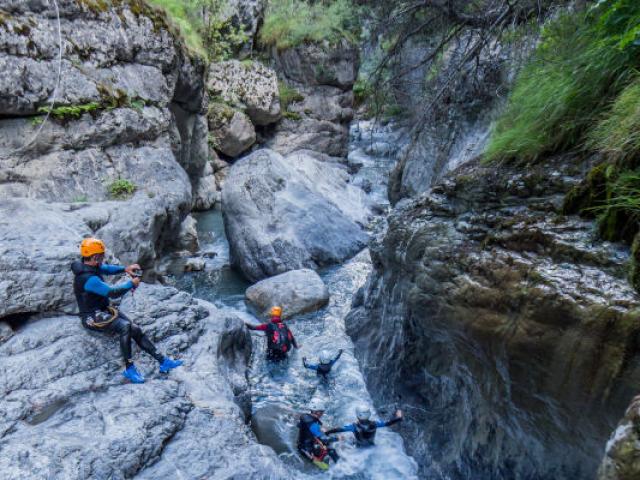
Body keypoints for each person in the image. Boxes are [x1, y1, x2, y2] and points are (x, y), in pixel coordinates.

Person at [71, 237, 183, 384]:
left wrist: (125, 269)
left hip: (103, 310)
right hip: (91, 317)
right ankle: (129, 369)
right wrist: (131, 283)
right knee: (125, 327)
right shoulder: (88, 279)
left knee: (134, 329)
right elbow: (113, 293)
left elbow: (106, 269)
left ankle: (163, 361)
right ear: (94, 257)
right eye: (101, 256)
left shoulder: (90, 265)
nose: (103, 258)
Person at [326, 406, 403, 447]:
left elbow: (338, 429)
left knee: (346, 439)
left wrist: (327, 432)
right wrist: (398, 416)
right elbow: (388, 423)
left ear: (358, 416)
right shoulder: (375, 424)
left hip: (359, 447)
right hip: (372, 446)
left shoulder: (353, 426)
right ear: (369, 414)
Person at [297, 399, 340, 469]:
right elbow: (323, 439)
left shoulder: (309, 418)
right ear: (316, 411)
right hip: (305, 450)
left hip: (312, 444)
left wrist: (333, 429)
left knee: (331, 451)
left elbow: (301, 426)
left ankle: (340, 466)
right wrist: (338, 438)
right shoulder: (312, 423)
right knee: (325, 467)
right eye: (321, 412)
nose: (322, 414)